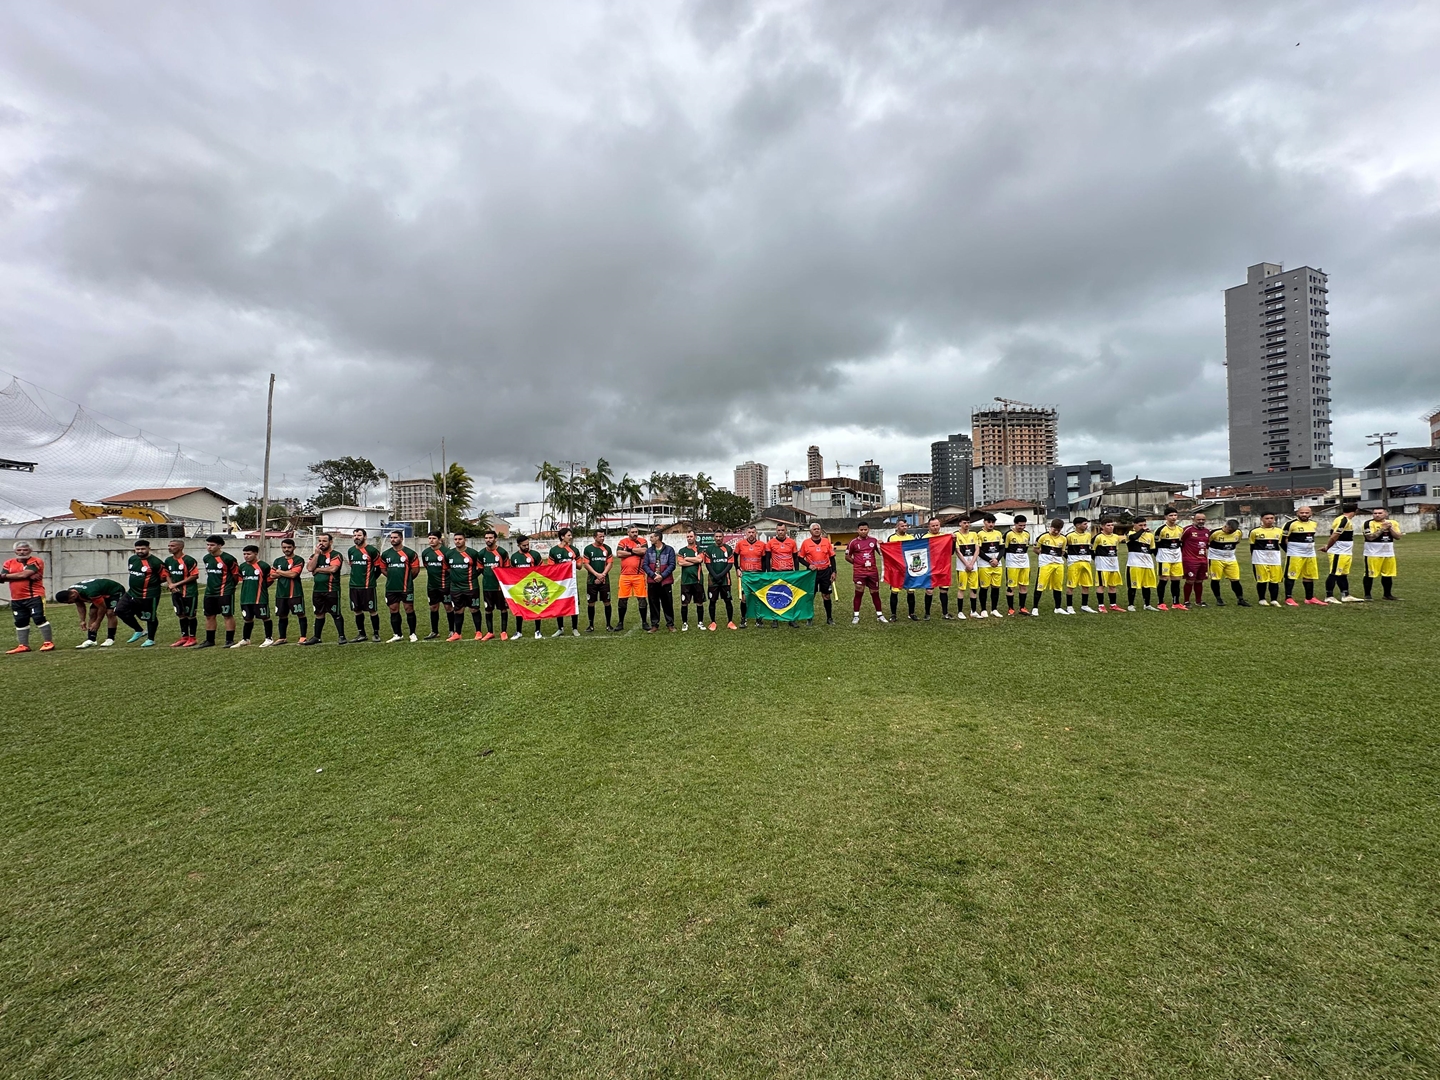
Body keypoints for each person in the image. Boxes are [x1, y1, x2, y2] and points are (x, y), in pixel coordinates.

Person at [56, 578, 139, 648]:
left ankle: (110, 638)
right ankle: (91, 639)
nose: (70, 603)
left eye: (69, 602)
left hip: (114, 591)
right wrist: (82, 620)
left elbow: (102, 608)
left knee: (110, 613)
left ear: (73, 596)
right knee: (92, 612)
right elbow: (80, 606)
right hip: (101, 593)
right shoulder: (73, 593)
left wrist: (97, 622)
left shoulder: (91, 592)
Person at [2, 541, 53, 653]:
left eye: (25, 550)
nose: (22, 552)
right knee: (20, 621)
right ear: (15, 551)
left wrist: (13, 576)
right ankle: (23, 645)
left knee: (39, 618)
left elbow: (24, 574)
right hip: (16, 598)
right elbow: (3, 578)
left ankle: (48, 642)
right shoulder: (8, 563)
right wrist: (21, 576)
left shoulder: (35, 561)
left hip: (34, 596)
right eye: (19, 550)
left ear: (30, 550)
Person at [300, 533, 346, 645]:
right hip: (317, 590)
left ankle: (342, 636)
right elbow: (310, 568)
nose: (321, 543)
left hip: (331, 589)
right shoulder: (314, 555)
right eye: (320, 540)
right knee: (319, 613)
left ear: (331, 542)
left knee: (335, 613)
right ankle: (317, 637)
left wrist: (318, 569)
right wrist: (316, 555)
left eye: (324, 541)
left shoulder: (336, 554)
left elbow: (334, 568)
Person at [198, 534, 240, 648]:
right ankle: (209, 640)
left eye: (212, 545)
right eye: (207, 545)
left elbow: (236, 575)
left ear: (220, 546)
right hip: (209, 592)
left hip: (224, 591)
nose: (209, 547)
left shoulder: (228, 558)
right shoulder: (206, 558)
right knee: (209, 615)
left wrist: (230, 586)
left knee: (227, 615)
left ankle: (229, 640)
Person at [379, 530, 421, 641]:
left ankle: (412, 633)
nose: (392, 539)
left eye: (395, 537)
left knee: (409, 608)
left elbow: (415, 570)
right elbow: (383, 569)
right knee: (393, 610)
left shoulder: (410, 553)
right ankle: (397, 634)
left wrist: (406, 579)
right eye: (391, 537)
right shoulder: (386, 554)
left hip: (406, 587)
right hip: (391, 588)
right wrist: (392, 577)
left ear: (401, 539)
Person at [125, 538, 167, 645]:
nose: (140, 551)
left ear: (149, 548)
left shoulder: (156, 562)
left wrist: (153, 583)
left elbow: (164, 576)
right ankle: (139, 630)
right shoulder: (132, 559)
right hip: (132, 592)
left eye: (143, 549)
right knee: (119, 610)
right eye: (137, 549)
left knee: (150, 616)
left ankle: (150, 639)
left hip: (149, 593)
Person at [445, 533, 485, 640]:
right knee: (458, 610)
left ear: (465, 540)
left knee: (474, 609)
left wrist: (471, 577)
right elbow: (447, 568)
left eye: (460, 539)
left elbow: (480, 567)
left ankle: (478, 632)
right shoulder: (449, 554)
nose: (458, 541)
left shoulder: (472, 553)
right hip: (455, 588)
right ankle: (457, 633)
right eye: (456, 539)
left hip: (471, 587)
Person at [233, 544, 275, 647]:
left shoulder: (263, 566)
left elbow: (270, 580)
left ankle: (269, 638)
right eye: (244, 554)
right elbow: (240, 579)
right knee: (247, 619)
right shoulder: (242, 566)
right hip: (245, 598)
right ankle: (246, 639)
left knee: (265, 617)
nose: (246, 556)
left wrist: (261, 588)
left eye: (248, 554)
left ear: (255, 553)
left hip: (260, 598)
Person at [1281, 505, 1324, 606]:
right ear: (1297, 513)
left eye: (1306, 513)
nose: (1304, 515)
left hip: (1310, 554)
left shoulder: (1313, 524)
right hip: (1295, 554)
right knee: (1291, 575)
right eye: (1302, 513)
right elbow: (1283, 540)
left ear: (1311, 514)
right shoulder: (1290, 524)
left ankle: (1309, 598)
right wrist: (1290, 551)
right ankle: (1288, 598)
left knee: (1309, 575)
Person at [269, 537, 308, 644]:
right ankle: (282, 637)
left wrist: (280, 571)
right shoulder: (278, 560)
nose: (286, 549)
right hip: (281, 593)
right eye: (284, 547)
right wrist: (286, 572)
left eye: (289, 547)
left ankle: (303, 636)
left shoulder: (298, 560)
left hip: (295, 592)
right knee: (282, 615)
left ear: (294, 547)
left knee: (300, 614)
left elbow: (294, 574)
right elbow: (272, 575)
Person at [346, 528, 383, 642]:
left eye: (359, 535)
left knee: (372, 610)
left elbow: (378, 568)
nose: (356, 537)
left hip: (367, 586)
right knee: (357, 610)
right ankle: (361, 634)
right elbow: (353, 566)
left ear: (365, 537)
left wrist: (371, 579)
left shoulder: (372, 551)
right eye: (355, 535)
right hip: (354, 586)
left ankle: (376, 634)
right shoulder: (351, 551)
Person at [162, 538, 200, 646]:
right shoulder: (168, 560)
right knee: (180, 614)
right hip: (175, 592)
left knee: (190, 615)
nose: (170, 548)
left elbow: (194, 575)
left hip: (189, 592)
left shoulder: (188, 560)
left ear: (180, 547)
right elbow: (167, 574)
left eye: (173, 546)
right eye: (169, 546)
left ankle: (192, 638)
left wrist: (176, 584)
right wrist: (170, 584)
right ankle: (184, 637)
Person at [506, 535, 544, 640]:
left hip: (533, 587)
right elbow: (511, 572)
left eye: (528, 544)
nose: (526, 546)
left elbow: (542, 570)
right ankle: (518, 631)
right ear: (518, 545)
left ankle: (537, 631)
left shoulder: (535, 555)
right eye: (524, 545)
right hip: (520, 587)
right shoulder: (514, 557)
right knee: (519, 608)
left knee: (536, 607)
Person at [799, 521, 836, 625]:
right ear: (810, 531)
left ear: (820, 530)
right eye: (814, 529)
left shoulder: (826, 542)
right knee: (811, 595)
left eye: (818, 529)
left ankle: (829, 618)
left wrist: (834, 571)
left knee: (826, 595)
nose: (816, 530)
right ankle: (809, 618)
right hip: (812, 574)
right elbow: (800, 558)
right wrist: (808, 565)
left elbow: (832, 557)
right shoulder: (806, 543)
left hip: (825, 572)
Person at [766, 522, 801, 630]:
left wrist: (796, 572)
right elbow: (767, 559)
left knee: (790, 595)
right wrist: (769, 572)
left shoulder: (792, 542)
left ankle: (791, 619)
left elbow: (796, 558)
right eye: (778, 530)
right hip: (776, 572)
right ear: (776, 531)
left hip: (789, 572)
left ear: (786, 531)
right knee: (775, 596)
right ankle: (775, 619)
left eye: (782, 530)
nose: (780, 532)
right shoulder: (770, 543)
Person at [1206, 519, 1249, 606]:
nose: (1230, 532)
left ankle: (1240, 599)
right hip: (1216, 559)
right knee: (1215, 579)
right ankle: (1219, 599)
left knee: (1235, 579)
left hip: (1231, 559)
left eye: (1233, 531)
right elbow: (1207, 543)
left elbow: (1237, 542)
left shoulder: (1238, 532)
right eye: (1229, 530)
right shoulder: (1215, 533)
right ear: (1226, 526)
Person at [1361, 508, 1402, 601]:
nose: (1377, 515)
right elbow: (1370, 537)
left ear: (1386, 514)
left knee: (1388, 574)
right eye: (1375, 513)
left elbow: (1398, 537)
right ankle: (1367, 595)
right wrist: (1383, 529)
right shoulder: (1368, 523)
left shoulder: (1393, 523)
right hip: (1372, 553)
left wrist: (1390, 528)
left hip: (1388, 553)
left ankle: (1387, 594)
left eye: (1380, 513)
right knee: (1369, 574)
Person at [477, 529, 511, 640]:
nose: (488, 540)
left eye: (490, 538)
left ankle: (503, 632)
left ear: (495, 539)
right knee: (488, 609)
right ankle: (490, 632)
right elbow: (481, 569)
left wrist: (498, 570)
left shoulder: (502, 552)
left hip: (500, 587)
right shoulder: (481, 553)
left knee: (503, 609)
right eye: (486, 538)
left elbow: (507, 569)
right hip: (487, 586)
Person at [548, 527, 581, 637]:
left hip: (571, 582)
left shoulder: (574, 550)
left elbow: (580, 566)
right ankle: (560, 628)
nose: (571, 537)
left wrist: (573, 563)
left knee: (573, 603)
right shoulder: (553, 551)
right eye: (569, 535)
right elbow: (550, 568)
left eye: (571, 535)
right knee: (559, 604)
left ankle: (574, 628)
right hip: (559, 582)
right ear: (562, 537)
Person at [615, 525, 649, 631]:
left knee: (642, 598)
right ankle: (620, 622)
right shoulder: (623, 541)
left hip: (639, 575)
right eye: (633, 532)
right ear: (628, 532)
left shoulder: (642, 541)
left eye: (636, 532)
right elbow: (619, 553)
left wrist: (628, 551)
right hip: (624, 576)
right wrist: (633, 551)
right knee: (622, 599)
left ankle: (644, 622)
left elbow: (644, 551)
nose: (635, 534)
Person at [641, 528, 677, 632]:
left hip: (665, 581)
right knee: (653, 603)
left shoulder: (669, 550)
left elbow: (672, 565)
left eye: (652, 537)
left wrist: (662, 576)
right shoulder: (649, 550)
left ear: (657, 538)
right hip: (653, 582)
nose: (650, 538)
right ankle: (654, 625)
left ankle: (670, 624)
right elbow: (645, 565)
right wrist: (653, 575)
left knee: (667, 603)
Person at [1323, 507, 1360, 603]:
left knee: (1343, 574)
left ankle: (1345, 595)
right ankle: (1329, 596)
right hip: (1338, 552)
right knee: (1334, 573)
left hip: (1346, 552)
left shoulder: (1346, 520)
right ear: (1355, 511)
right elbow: (1335, 535)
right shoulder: (1343, 520)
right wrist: (1328, 547)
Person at [734, 525, 768, 628]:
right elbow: (735, 557)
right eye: (749, 532)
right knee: (744, 598)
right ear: (746, 533)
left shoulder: (762, 545)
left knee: (758, 597)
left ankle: (759, 619)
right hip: (745, 575)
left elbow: (764, 560)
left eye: (753, 532)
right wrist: (737, 569)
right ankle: (743, 619)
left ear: (756, 533)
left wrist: (762, 572)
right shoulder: (740, 544)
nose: (751, 534)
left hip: (757, 574)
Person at [581, 529, 615, 632]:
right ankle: (591, 625)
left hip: (605, 580)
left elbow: (610, 563)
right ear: (594, 537)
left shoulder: (607, 549)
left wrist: (603, 575)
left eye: (603, 536)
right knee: (591, 602)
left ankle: (608, 625)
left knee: (607, 602)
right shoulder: (588, 549)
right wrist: (596, 575)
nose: (602, 538)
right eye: (600, 536)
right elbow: (586, 564)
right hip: (592, 581)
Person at [703, 531, 738, 630]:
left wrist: (721, 576)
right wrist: (715, 576)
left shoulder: (728, 548)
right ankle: (713, 622)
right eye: (716, 536)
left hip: (725, 580)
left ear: (723, 537)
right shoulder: (709, 549)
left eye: (720, 536)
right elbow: (708, 564)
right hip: (712, 580)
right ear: (714, 537)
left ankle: (730, 622)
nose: (718, 538)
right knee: (712, 601)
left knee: (728, 600)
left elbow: (730, 564)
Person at [1248, 512, 1285, 606]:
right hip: (1260, 559)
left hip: (1275, 559)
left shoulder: (1279, 531)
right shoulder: (1255, 531)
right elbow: (1252, 546)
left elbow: (1280, 544)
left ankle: (1274, 600)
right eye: (1267, 518)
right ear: (1262, 519)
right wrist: (1254, 558)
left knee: (1274, 580)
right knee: (1262, 580)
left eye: (1271, 518)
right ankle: (1262, 599)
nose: (1269, 520)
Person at [885, 519, 918, 621]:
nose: (905, 527)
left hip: (909, 569)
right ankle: (893, 614)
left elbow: (915, 551)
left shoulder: (911, 537)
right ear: (897, 527)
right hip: (896, 569)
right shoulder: (892, 538)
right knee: (895, 592)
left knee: (911, 591)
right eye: (902, 526)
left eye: (906, 526)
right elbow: (888, 552)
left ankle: (911, 613)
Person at [420, 531, 451, 638]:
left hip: (445, 585)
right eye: (429, 538)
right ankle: (434, 631)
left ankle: (452, 631)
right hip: (432, 586)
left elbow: (450, 569)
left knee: (448, 607)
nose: (431, 540)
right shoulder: (425, 553)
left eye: (434, 538)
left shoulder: (446, 552)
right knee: (433, 607)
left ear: (439, 540)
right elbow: (426, 565)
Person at [1035, 519, 1069, 615]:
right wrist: (1043, 556)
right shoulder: (1043, 536)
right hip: (1045, 565)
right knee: (1040, 586)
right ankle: (1035, 608)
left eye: (1059, 529)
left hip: (1058, 564)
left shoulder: (1063, 539)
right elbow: (1035, 549)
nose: (1056, 531)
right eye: (1055, 529)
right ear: (1051, 527)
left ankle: (1057, 607)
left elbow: (1062, 551)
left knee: (1058, 586)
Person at [920, 516, 951, 619]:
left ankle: (945, 613)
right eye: (933, 526)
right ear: (929, 526)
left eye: (937, 525)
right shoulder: (925, 538)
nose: (935, 527)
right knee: (929, 591)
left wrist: (953, 540)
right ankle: (927, 613)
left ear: (940, 525)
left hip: (943, 567)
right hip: (930, 568)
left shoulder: (945, 537)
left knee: (944, 590)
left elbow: (951, 553)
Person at [1125, 515, 1158, 611]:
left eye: (1144, 525)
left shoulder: (1150, 536)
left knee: (1146, 585)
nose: (1143, 527)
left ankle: (1147, 604)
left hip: (1147, 564)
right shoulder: (1129, 533)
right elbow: (1133, 538)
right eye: (1140, 525)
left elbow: (1152, 549)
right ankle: (1131, 605)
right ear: (1134, 525)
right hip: (1134, 564)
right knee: (1132, 585)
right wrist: (1142, 530)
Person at [1154, 509, 1185, 609]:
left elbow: (1182, 543)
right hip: (1164, 558)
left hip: (1177, 558)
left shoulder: (1180, 529)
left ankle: (1176, 603)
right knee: (1164, 579)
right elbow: (1155, 545)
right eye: (1171, 515)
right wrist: (1159, 556)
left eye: (1175, 515)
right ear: (1165, 517)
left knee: (1176, 580)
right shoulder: (1161, 530)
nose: (1173, 517)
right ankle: (1160, 602)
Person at [976, 514, 1006, 618]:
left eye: (993, 522)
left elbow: (1002, 548)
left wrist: (997, 560)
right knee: (984, 587)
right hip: (984, 565)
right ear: (984, 522)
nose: (991, 524)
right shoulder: (979, 534)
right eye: (989, 522)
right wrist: (989, 560)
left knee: (996, 587)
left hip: (997, 564)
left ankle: (994, 609)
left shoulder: (998, 533)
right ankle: (983, 609)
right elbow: (978, 551)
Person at [676, 529, 707, 631]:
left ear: (695, 537)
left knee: (699, 602)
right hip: (685, 581)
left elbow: (700, 559)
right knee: (684, 603)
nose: (689, 538)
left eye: (691, 536)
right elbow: (680, 563)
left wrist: (687, 559)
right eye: (688, 536)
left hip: (697, 580)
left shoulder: (700, 549)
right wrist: (694, 561)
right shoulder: (682, 550)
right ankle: (685, 623)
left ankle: (700, 622)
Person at [1063, 517, 1095, 614]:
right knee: (1071, 585)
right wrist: (1068, 558)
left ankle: (1084, 605)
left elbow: (1089, 548)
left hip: (1086, 563)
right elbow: (1062, 549)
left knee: (1086, 585)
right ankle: (1069, 607)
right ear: (1077, 525)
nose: (1087, 526)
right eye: (1085, 524)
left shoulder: (1088, 535)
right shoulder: (1069, 536)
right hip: (1074, 563)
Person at [1180, 512, 1210, 608]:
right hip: (1190, 560)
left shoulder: (1206, 531)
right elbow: (1181, 542)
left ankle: (1198, 601)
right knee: (1190, 581)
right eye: (1198, 519)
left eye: (1203, 520)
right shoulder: (1188, 530)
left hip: (1203, 560)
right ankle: (1186, 601)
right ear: (1194, 520)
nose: (1201, 521)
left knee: (1199, 581)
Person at [1092, 519, 1123, 612]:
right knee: (1101, 585)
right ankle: (1101, 606)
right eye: (1108, 525)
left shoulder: (1116, 537)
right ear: (1102, 526)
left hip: (1114, 565)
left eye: (1112, 525)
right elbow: (1091, 550)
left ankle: (1113, 605)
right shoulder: (1098, 537)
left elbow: (1115, 550)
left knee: (1113, 586)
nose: (1111, 527)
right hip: (1102, 566)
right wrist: (1097, 560)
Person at [1003, 515, 1032, 615]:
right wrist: (1009, 560)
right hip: (1012, 564)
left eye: (1024, 525)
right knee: (1011, 586)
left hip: (1025, 563)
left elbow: (1026, 548)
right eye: (1020, 525)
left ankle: (1022, 607)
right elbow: (1004, 549)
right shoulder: (1008, 534)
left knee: (1023, 585)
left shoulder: (1027, 534)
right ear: (1015, 524)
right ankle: (1011, 608)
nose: (1022, 527)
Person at [952, 518, 980, 620]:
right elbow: (957, 551)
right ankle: (960, 612)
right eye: (964, 523)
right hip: (962, 567)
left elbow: (977, 549)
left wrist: (972, 563)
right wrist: (966, 564)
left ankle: (974, 611)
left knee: (974, 588)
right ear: (960, 523)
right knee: (962, 588)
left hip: (973, 566)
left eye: (968, 522)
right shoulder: (956, 535)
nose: (967, 524)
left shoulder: (974, 534)